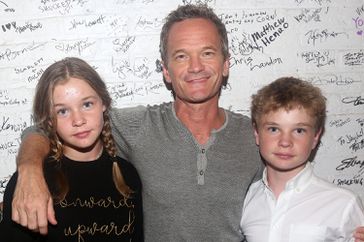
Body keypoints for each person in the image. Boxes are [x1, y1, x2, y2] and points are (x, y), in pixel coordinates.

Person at [7, 4, 364, 242]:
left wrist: (345, 228)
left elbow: (294, 189)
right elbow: (50, 124)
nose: (195, 67)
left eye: (207, 53)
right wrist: (30, 171)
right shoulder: (136, 125)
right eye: (181, 56)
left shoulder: (257, 135)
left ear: (225, 64)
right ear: (165, 69)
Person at [0, 57, 143, 241]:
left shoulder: (128, 174)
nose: (78, 120)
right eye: (63, 111)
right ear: (50, 119)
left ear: (104, 103)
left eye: (87, 104)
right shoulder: (31, 183)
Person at [240, 77, 364, 241]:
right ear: (257, 133)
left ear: (315, 137)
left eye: (299, 130)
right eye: (273, 129)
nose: (285, 142)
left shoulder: (344, 204)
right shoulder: (246, 200)